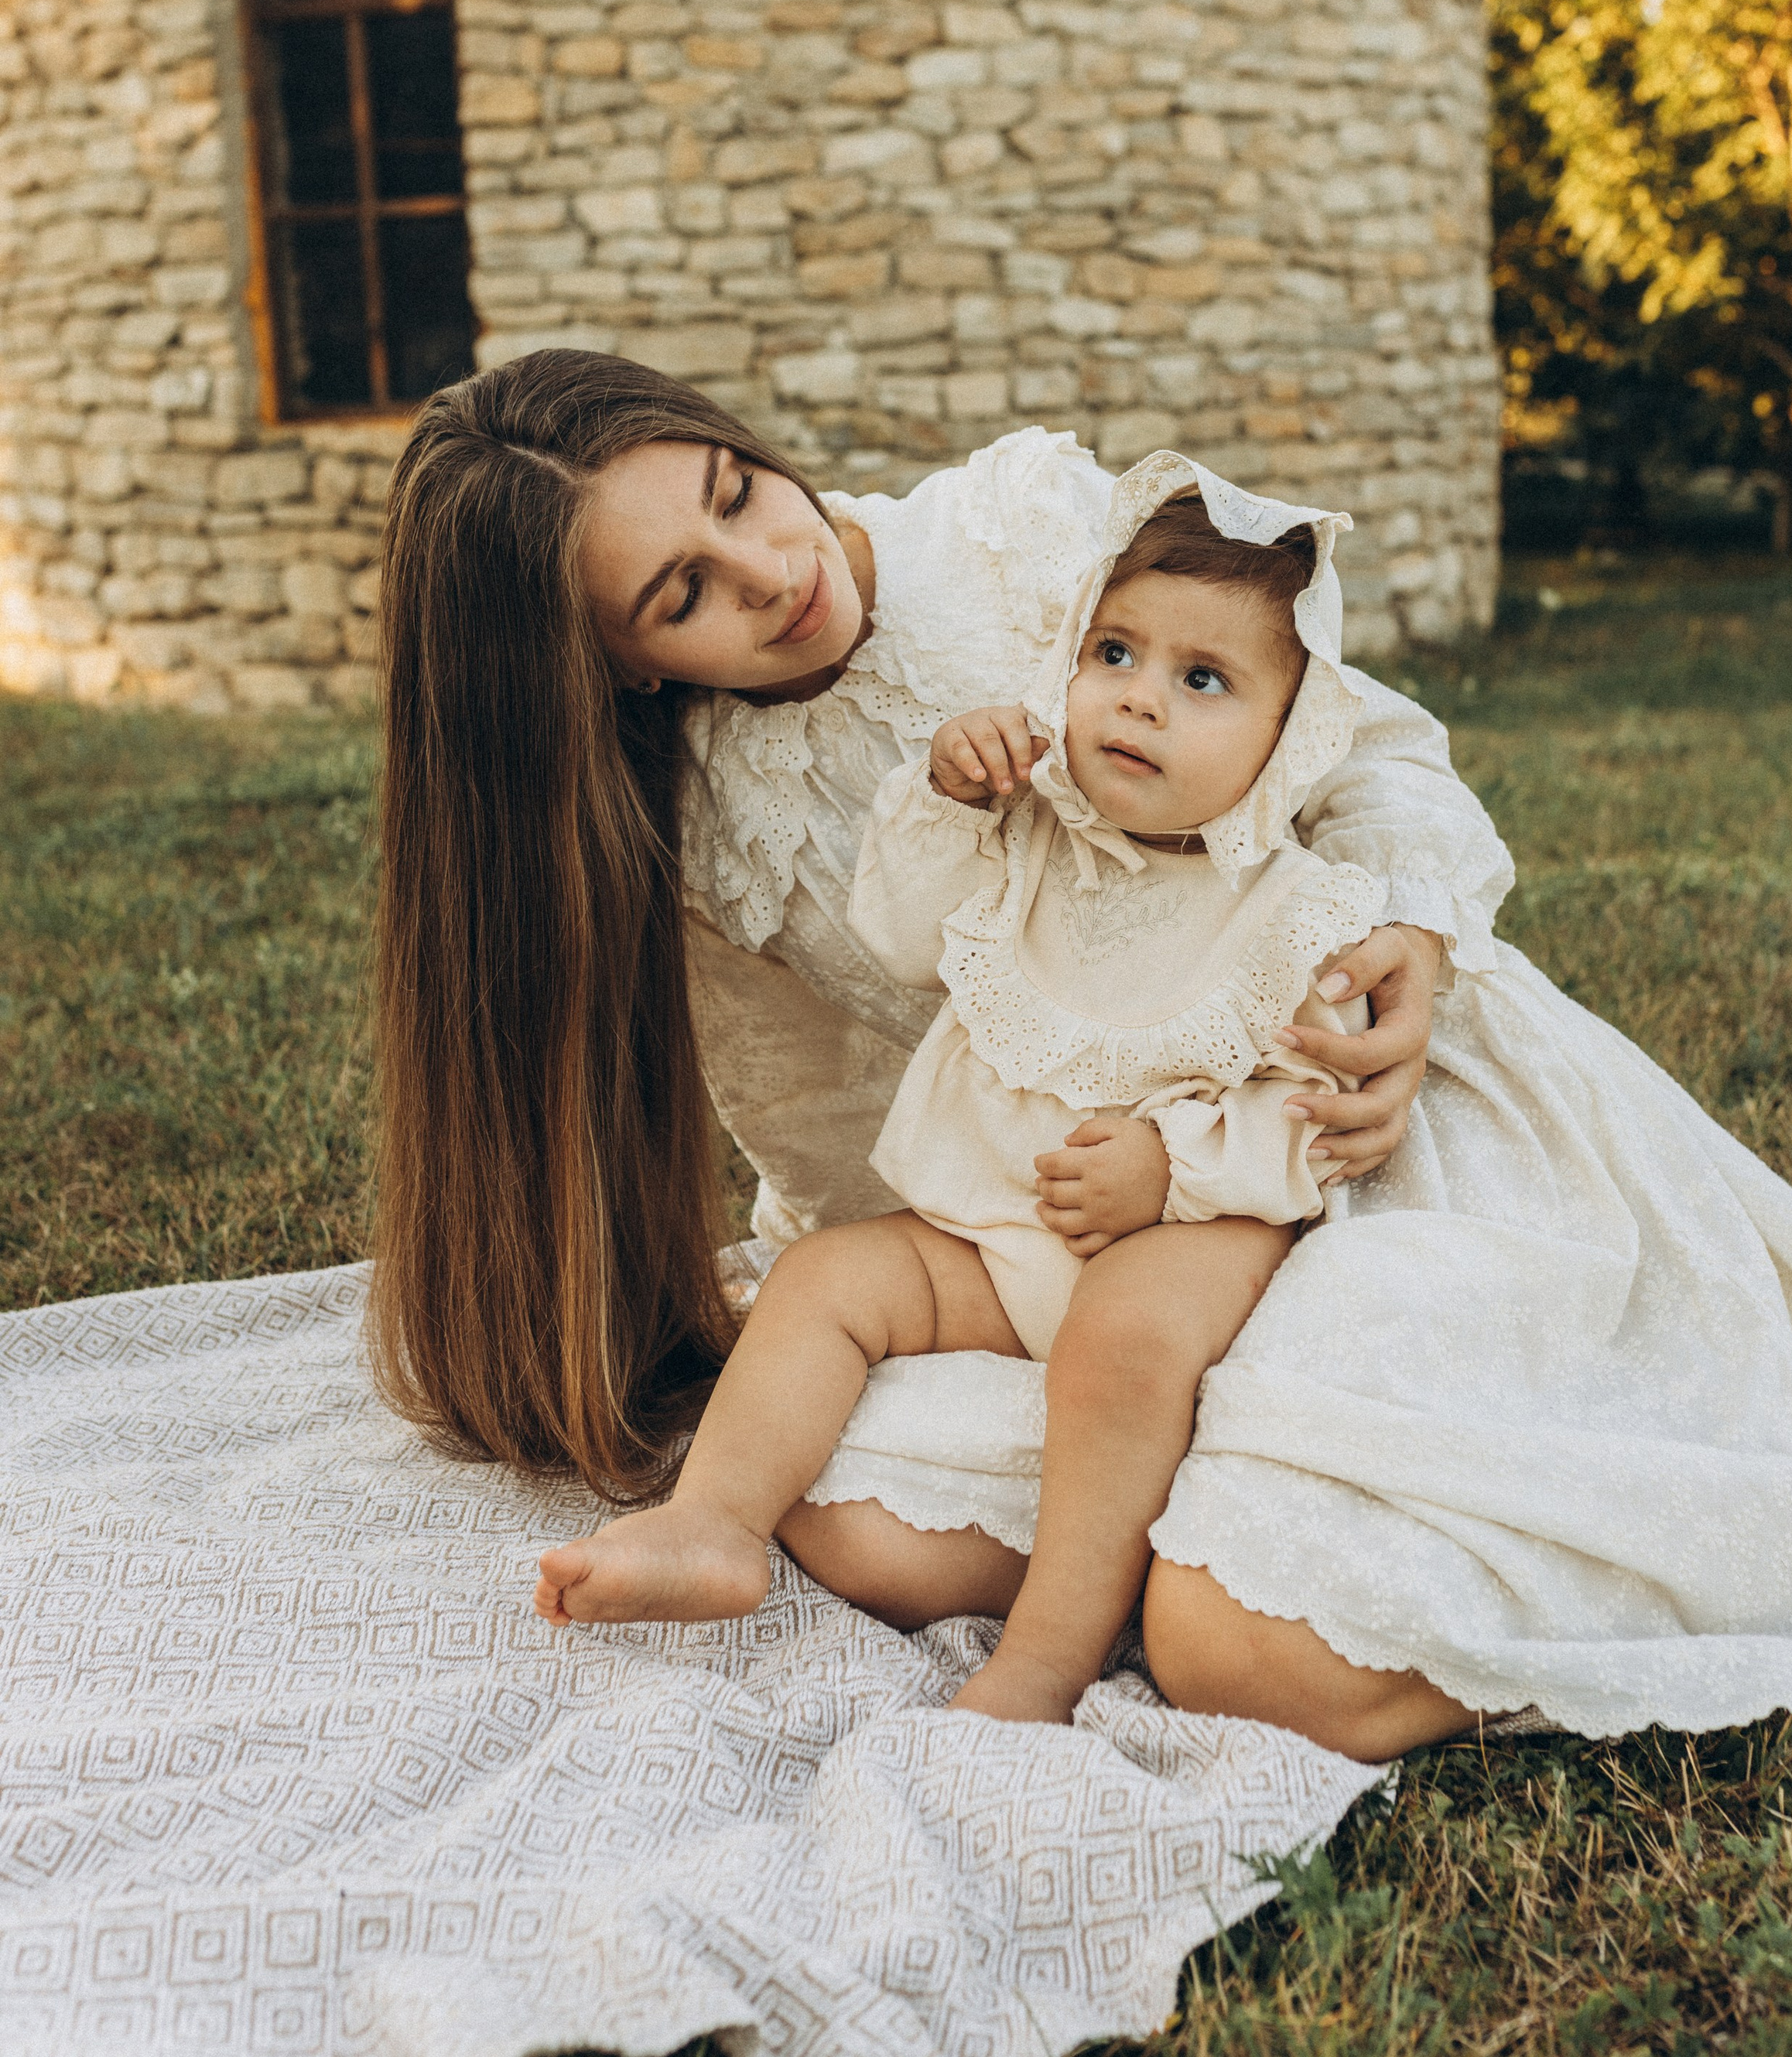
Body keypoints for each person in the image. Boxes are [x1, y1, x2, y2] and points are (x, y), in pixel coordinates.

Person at [367, 353, 1486, 1615]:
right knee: (862, 1524)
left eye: (738, 495)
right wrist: (847, 1291)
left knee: (1281, 1441)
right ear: (615, 662)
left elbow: (1367, 737)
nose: (774, 575)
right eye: (685, 595)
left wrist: (1415, 933)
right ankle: (1126, 1530)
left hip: (1307, 1111)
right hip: (1049, 1209)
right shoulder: (700, 811)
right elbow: (806, 1093)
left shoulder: (1019, 532)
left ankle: (1188, 1551)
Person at [532, 469, 1386, 1725]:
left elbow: (1321, 1120)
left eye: (1203, 682)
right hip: (1000, 1237)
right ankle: (709, 1523)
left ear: (1289, 733)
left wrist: (1172, 1167)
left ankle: (1043, 1660)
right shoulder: (1032, 827)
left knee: (1123, 1341)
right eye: (1114, 652)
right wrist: (944, 798)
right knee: (829, 1283)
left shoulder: (1299, 908)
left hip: (1188, 1240)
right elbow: (897, 936)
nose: (1142, 695)